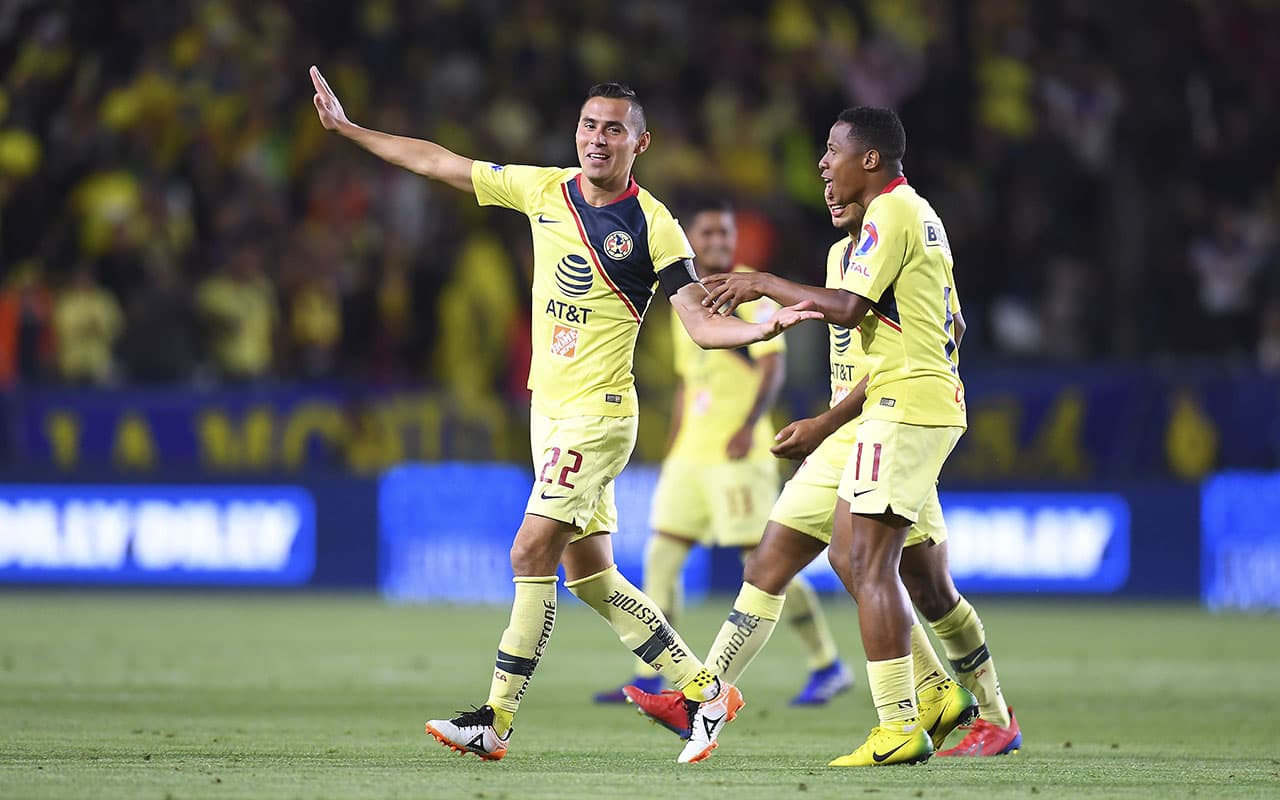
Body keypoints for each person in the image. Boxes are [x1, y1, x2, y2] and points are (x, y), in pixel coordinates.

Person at [309, 68, 821, 764]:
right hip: (547, 415)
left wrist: (761, 330)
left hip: (599, 416)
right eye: (588, 124)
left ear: (641, 143)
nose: (597, 139)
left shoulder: (655, 225)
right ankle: (706, 688)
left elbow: (699, 323)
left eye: (614, 129)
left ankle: (495, 719)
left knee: (528, 551)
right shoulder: (543, 188)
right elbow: (438, 161)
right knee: (591, 578)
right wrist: (349, 128)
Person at [625, 174, 1017, 759]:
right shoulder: (844, 253)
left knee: (918, 584)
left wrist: (825, 419)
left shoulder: (900, 222)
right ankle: (705, 699)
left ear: (871, 161)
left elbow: (929, 333)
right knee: (771, 560)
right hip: (852, 425)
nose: (825, 174)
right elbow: (920, 329)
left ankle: (973, 713)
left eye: (835, 157)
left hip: (889, 418)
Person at [593, 200, 853, 707]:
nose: (717, 242)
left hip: (740, 455)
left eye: (725, 235)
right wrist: (673, 442)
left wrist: (747, 426)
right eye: (708, 233)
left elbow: (770, 367)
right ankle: (650, 672)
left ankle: (827, 663)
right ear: (690, 239)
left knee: (765, 563)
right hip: (690, 454)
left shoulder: (747, 296)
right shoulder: (682, 299)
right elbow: (691, 384)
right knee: (661, 558)